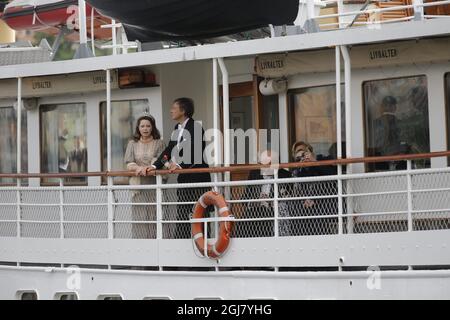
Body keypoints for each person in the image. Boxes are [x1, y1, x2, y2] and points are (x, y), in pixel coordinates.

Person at [148, 98, 211, 239]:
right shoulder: (177, 128)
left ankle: (203, 242)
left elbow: (195, 151)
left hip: (197, 177)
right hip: (184, 178)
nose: (171, 110)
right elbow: (169, 150)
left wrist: (179, 165)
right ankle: (181, 241)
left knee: (199, 211)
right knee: (183, 210)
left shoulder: (195, 127)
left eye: (174, 108)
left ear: (183, 111)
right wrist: (154, 166)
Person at [124, 115, 165, 239]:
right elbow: (128, 163)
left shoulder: (159, 143)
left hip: (154, 184)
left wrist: (149, 167)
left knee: (155, 214)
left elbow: (162, 161)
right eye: (142, 126)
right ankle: (140, 244)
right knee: (140, 215)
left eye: (148, 126)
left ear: (152, 127)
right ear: (138, 128)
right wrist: (139, 168)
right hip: (138, 186)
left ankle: (157, 242)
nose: (145, 129)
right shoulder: (132, 143)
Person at [239, 150, 291, 237]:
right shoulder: (254, 174)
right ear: (260, 163)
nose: (267, 166)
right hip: (255, 212)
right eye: (264, 163)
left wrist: (270, 201)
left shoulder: (285, 175)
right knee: (245, 223)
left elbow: (289, 196)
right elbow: (244, 199)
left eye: (271, 162)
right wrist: (255, 201)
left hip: (275, 212)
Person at [290, 141, 338, 236]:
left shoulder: (323, 159)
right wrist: (305, 198)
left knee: (312, 214)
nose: (301, 156)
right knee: (297, 212)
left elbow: (333, 174)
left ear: (309, 150)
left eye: (302, 152)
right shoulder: (299, 170)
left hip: (326, 201)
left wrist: (314, 161)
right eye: (298, 154)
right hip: (307, 205)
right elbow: (298, 188)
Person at [372, 96, 408, 171]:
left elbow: (404, 140)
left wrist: (401, 153)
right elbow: (373, 143)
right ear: (382, 107)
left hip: (399, 159)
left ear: (395, 108)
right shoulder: (374, 124)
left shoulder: (401, 123)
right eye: (386, 105)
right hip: (380, 158)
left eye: (391, 105)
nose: (388, 108)